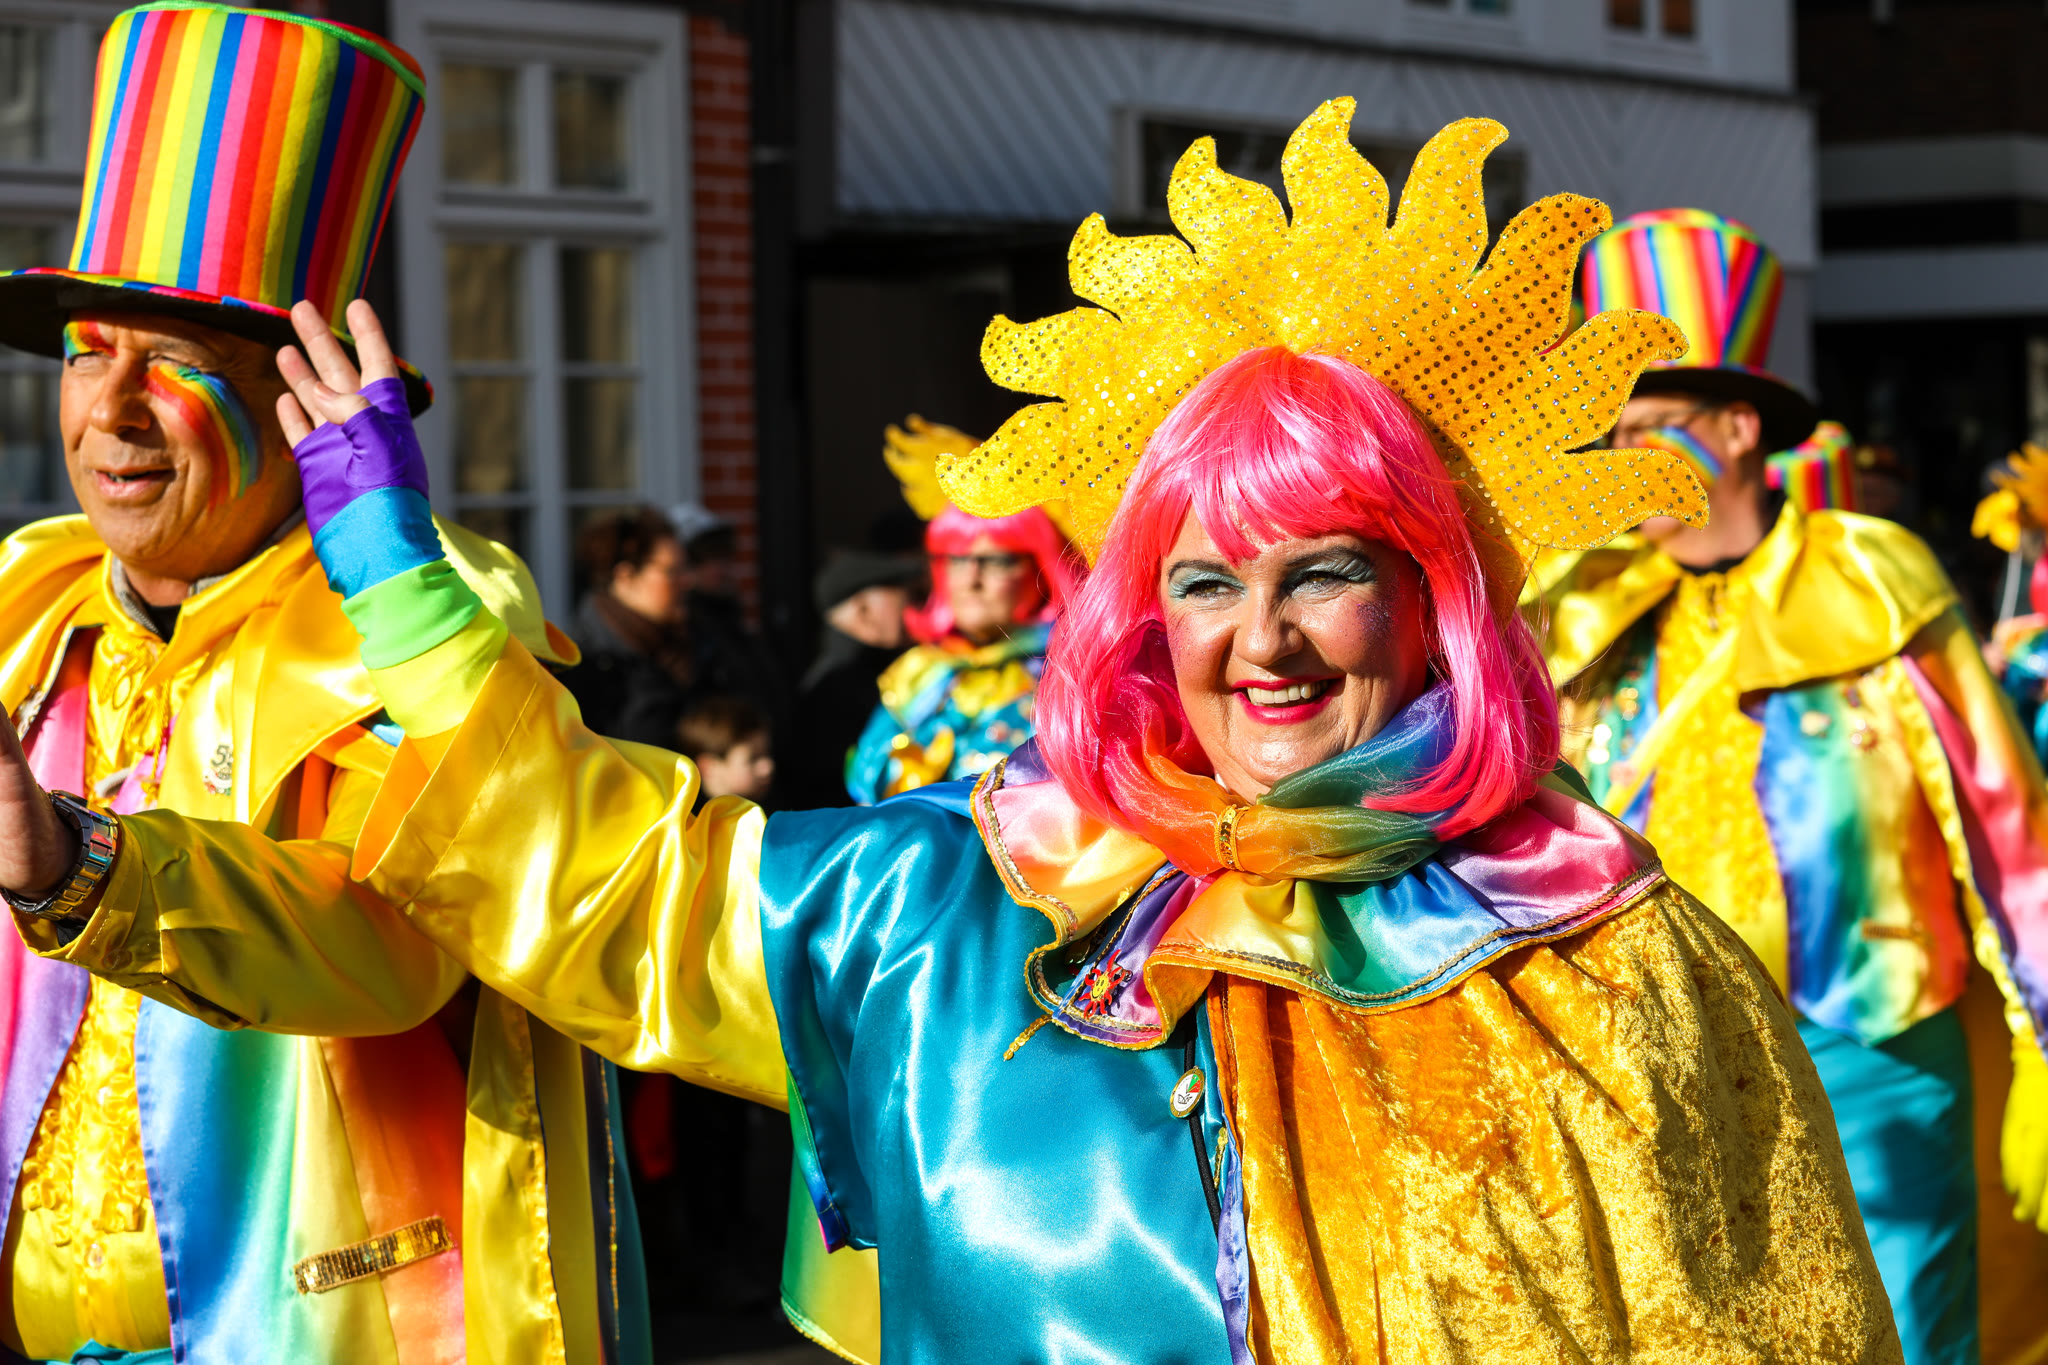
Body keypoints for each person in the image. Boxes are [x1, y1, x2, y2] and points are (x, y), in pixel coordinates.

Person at [9, 104, 1909, 1362]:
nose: (1257, 643)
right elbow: (604, 881)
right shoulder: (959, 912)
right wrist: (392, 573)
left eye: (1322, 573)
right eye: (1201, 580)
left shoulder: (1613, 957)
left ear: (1433, 600)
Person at [0, 7, 646, 1362]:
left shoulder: (411, 622)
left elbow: (398, 933)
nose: (108, 411)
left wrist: (77, 868)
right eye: (85, 352)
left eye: (174, 363)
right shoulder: (26, 610)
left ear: (303, 405)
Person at [1532, 206, 2048, 1365]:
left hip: (1864, 1045)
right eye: (1613, 433)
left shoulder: (1866, 576)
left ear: (1736, 427)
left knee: (1902, 1335)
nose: (1625, 456)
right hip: (1653, 1063)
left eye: (1653, 427)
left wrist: (2045, 1048)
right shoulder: (1583, 604)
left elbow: (2006, 825)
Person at [845, 416, 1080, 802]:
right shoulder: (918, 676)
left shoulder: (1075, 676)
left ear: (1041, 568)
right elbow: (865, 787)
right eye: (956, 559)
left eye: (995, 561)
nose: (971, 579)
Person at [779, 551, 922, 810]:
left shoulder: (864, 670)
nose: (914, 610)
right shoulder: (838, 685)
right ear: (863, 610)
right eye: (907, 598)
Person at [564, 507, 699, 749]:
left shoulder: (691, 640)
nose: (687, 580)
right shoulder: (587, 663)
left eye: (686, 568)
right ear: (625, 577)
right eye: (672, 571)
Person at [679, 696, 775, 804]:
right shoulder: (684, 814)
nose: (768, 767)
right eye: (752, 759)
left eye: (767, 753)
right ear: (708, 767)